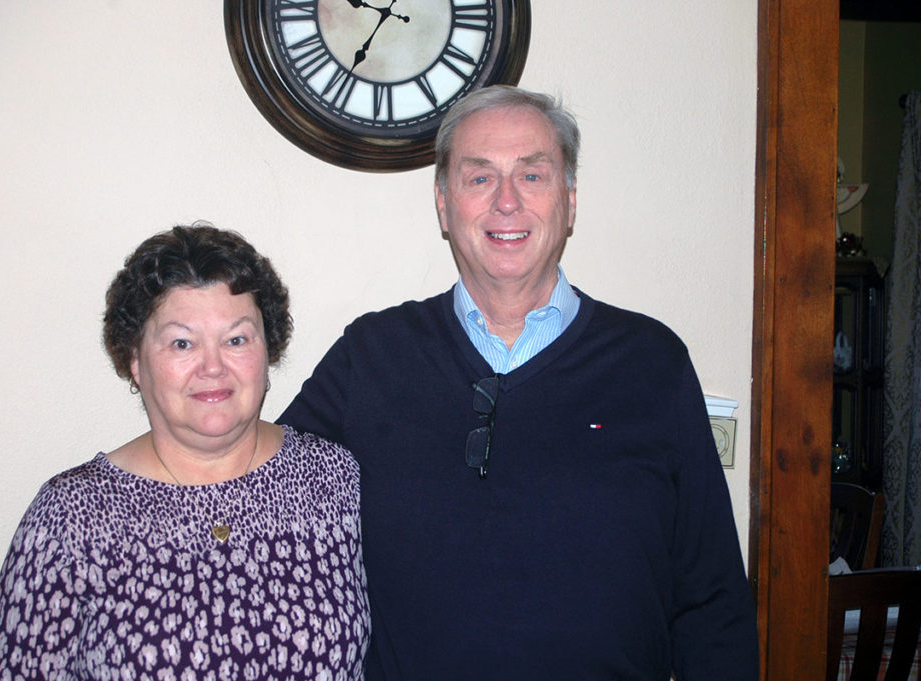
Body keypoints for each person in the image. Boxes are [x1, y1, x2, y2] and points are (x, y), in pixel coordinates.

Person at [279, 86, 759, 679]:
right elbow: (255, 487)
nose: (507, 202)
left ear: (570, 202)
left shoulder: (652, 361)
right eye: (479, 178)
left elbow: (712, 598)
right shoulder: (370, 356)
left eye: (533, 176)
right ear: (443, 204)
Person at [0, 224, 370, 680]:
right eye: (182, 343)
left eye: (237, 339)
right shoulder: (69, 518)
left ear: (267, 355)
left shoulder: (333, 480)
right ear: (134, 360)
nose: (212, 366)